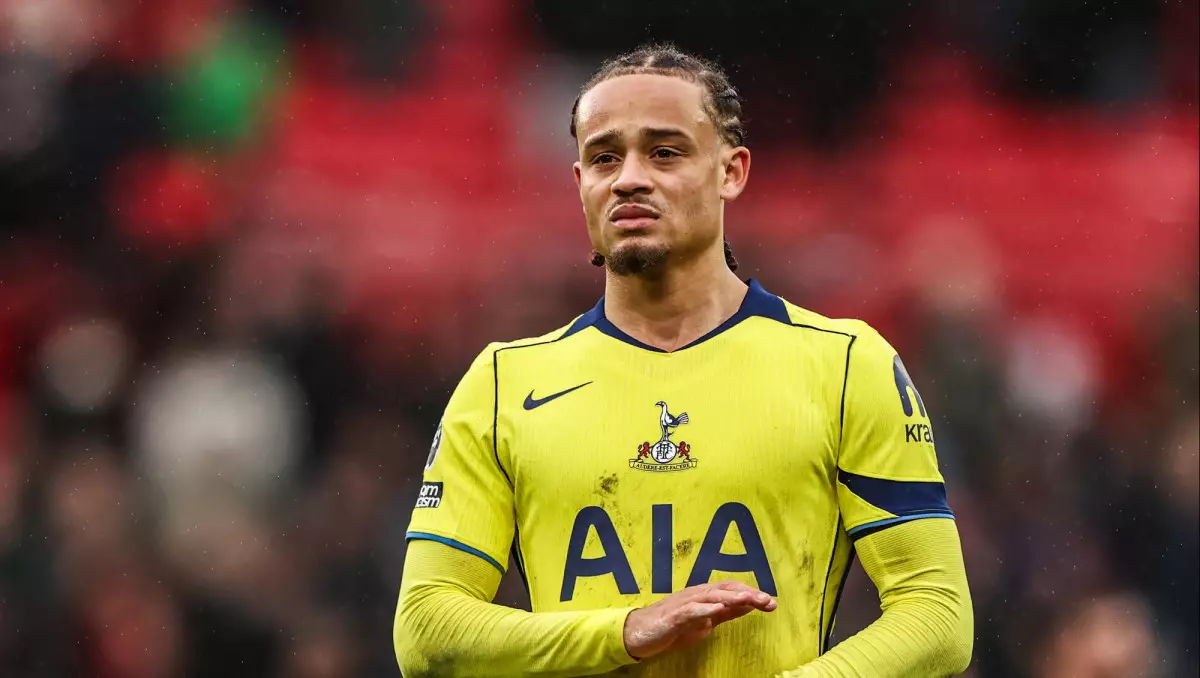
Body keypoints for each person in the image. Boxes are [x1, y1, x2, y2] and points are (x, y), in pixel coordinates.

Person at [394, 43, 973, 677]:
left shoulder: (845, 365)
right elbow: (425, 630)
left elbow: (937, 615)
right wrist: (624, 631)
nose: (629, 178)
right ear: (580, 183)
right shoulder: (503, 383)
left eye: (665, 152)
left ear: (731, 171)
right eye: (604, 157)